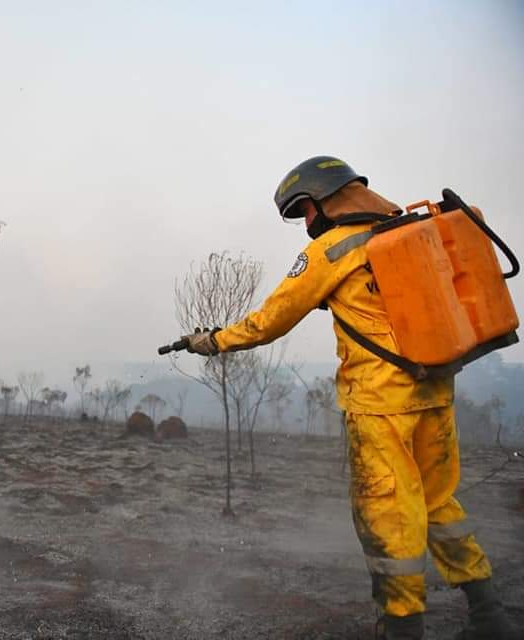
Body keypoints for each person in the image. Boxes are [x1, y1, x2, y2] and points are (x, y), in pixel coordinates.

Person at [182, 157, 516, 640]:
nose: (306, 225)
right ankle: (491, 617)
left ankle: (402, 629)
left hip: (380, 405)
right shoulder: (404, 234)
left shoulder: (333, 251)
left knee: (387, 516)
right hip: (436, 388)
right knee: (441, 504)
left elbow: (271, 320)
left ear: (321, 200)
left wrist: (213, 341)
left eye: (304, 213)